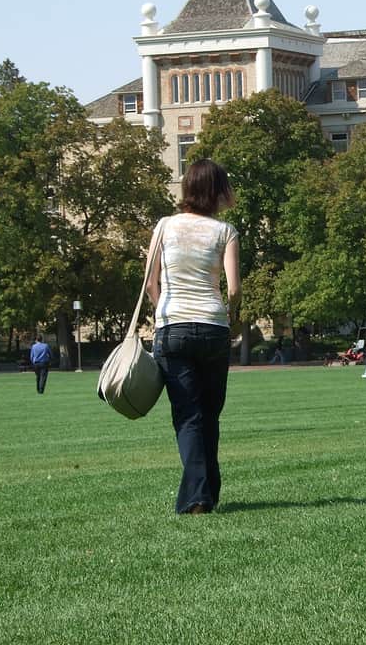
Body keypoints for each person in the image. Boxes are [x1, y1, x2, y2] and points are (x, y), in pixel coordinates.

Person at [147, 159, 241, 515]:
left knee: (188, 415)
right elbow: (232, 289)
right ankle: (206, 494)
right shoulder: (225, 232)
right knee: (209, 414)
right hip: (214, 327)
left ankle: (200, 497)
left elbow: (151, 282)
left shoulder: (164, 227)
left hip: (173, 328)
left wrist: (161, 313)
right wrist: (232, 315)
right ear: (217, 192)